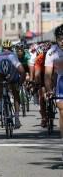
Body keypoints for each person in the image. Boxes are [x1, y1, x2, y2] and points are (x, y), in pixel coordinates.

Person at [0, 40, 25, 128]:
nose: (7, 50)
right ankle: (16, 117)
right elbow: (22, 72)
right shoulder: (13, 56)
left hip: (8, 75)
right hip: (10, 75)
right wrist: (20, 84)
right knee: (15, 93)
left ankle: (0, 106)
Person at [44, 24, 63, 159]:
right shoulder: (52, 52)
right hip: (61, 81)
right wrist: (49, 90)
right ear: (56, 39)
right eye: (60, 39)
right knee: (62, 110)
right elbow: (47, 75)